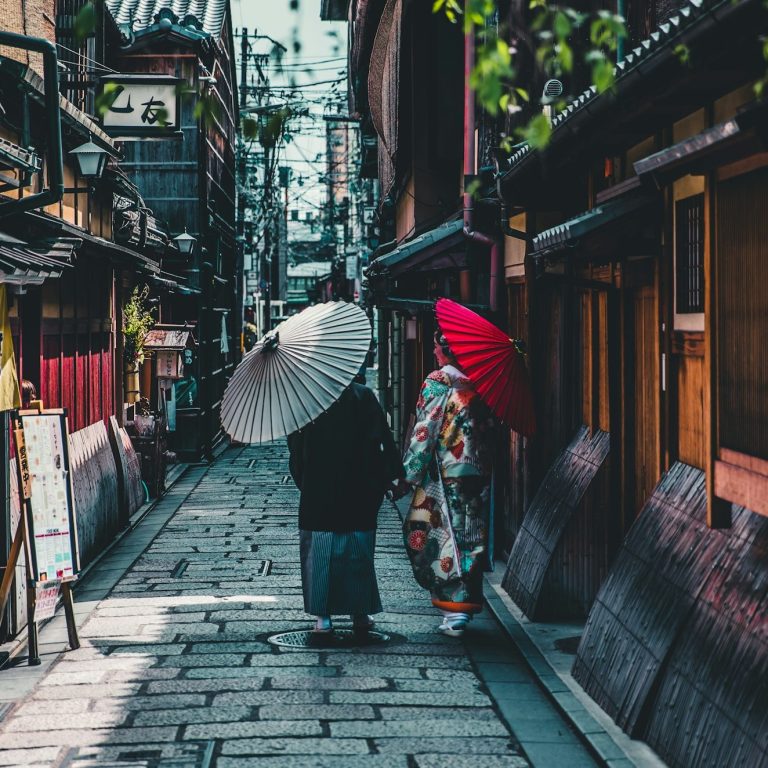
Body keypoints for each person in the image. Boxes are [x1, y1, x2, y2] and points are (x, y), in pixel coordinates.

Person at [287, 371, 404, 634]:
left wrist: (305, 482)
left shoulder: (307, 400)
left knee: (320, 552)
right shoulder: (363, 395)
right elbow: (382, 441)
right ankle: (360, 615)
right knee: (358, 551)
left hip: (319, 489)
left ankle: (323, 618)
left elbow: (295, 448)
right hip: (360, 487)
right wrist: (390, 476)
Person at [396, 331, 494, 637]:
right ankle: (462, 607)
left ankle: (453, 610)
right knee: (469, 535)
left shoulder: (440, 380)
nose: (435, 352)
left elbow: (426, 428)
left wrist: (409, 472)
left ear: (447, 350)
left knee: (437, 533)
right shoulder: (477, 381)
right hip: (475, 470)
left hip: (444, 470)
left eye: (438, 347)